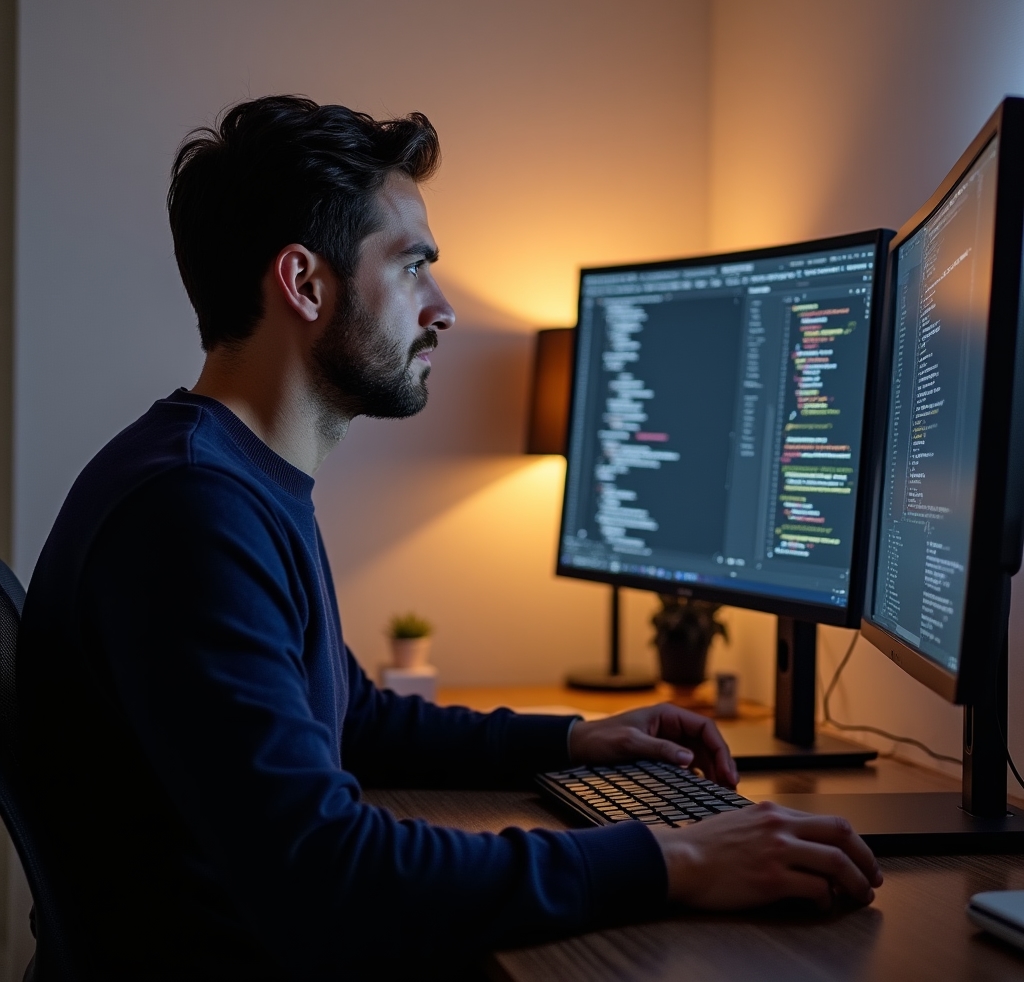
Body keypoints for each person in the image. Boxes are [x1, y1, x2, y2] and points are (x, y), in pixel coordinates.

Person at [17, 96, 882, 980]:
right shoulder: (192, 511)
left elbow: (347, 714)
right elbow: (327, 875)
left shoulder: (224, 478)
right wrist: (676, 858)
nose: (443, 309)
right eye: (414, 266)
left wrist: (573, 742)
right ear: (305, 284)